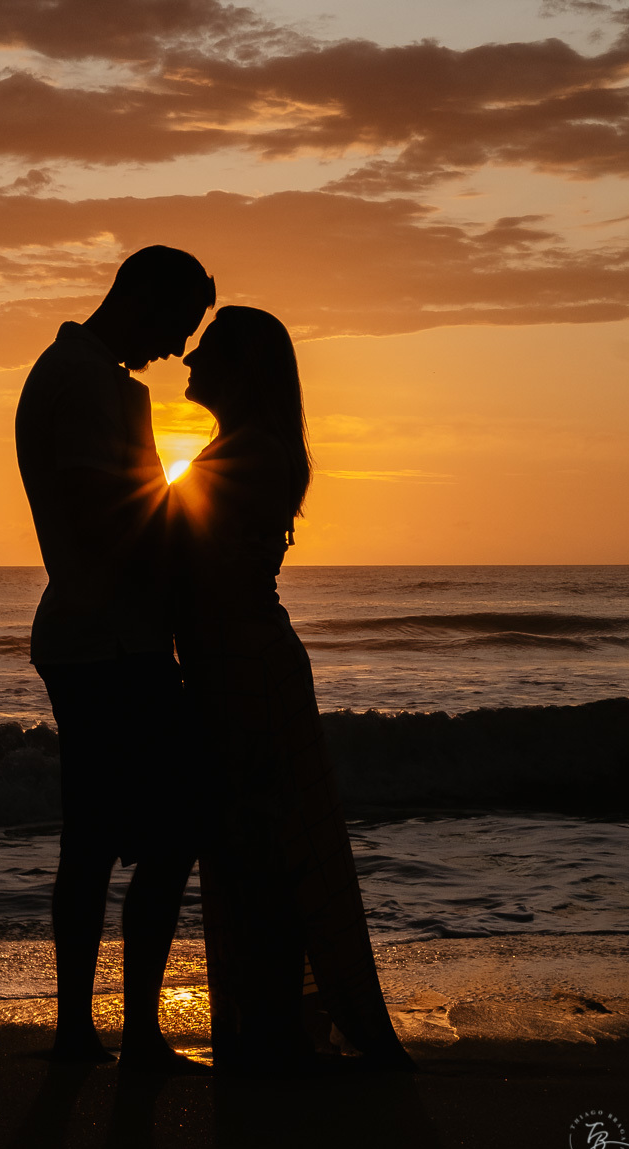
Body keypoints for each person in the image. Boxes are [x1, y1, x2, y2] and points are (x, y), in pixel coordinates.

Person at [169, 306, 415, 1073]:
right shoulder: (240, 449)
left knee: (264, 847)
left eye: (205, 351)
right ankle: (267, 1023)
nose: (187, 363)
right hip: (233, 664)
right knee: (252, 845)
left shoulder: (254, 455)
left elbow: (204, 571)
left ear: (243, 370)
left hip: (248, 670)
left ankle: (274, 1027)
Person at [15, 245, 215, 1066]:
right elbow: (105, 513)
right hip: (106, 640)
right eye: (175, 323)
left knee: (100, 836)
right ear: (142, 298)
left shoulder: (88, 377)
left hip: (103, 634)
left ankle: (98, 1029)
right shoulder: (84, 380)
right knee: (158, 833)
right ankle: (119, 1030)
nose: (175, 348)